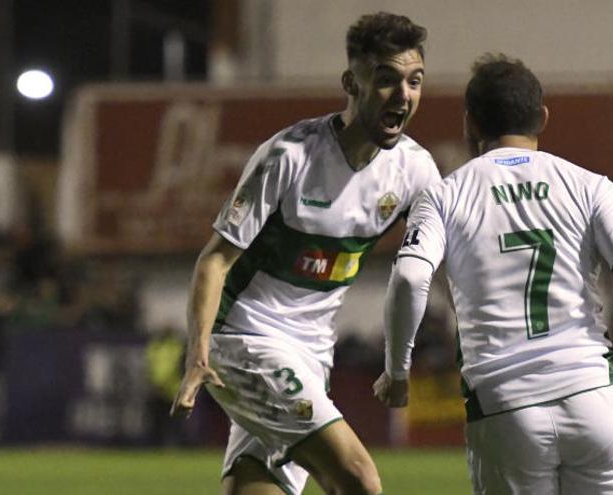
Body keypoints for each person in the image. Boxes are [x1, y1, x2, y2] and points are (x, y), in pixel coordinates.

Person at [373, 54, 613, 495]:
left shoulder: (442, 196)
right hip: (592, 395)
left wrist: (397, 372)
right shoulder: (589, 185)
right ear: (542, 117)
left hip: (505, 408)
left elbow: (407, 279)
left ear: (471, 123)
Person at [170, 12, 440, 495]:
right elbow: (215, 259)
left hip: (311, 355)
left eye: (414, 82)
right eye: (385, 80)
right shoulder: (290, 156)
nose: (403, 95)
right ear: (350, 83)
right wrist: (197, 353)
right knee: (358, 478)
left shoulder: (415, 171)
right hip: (246, 339)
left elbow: (447, 259)